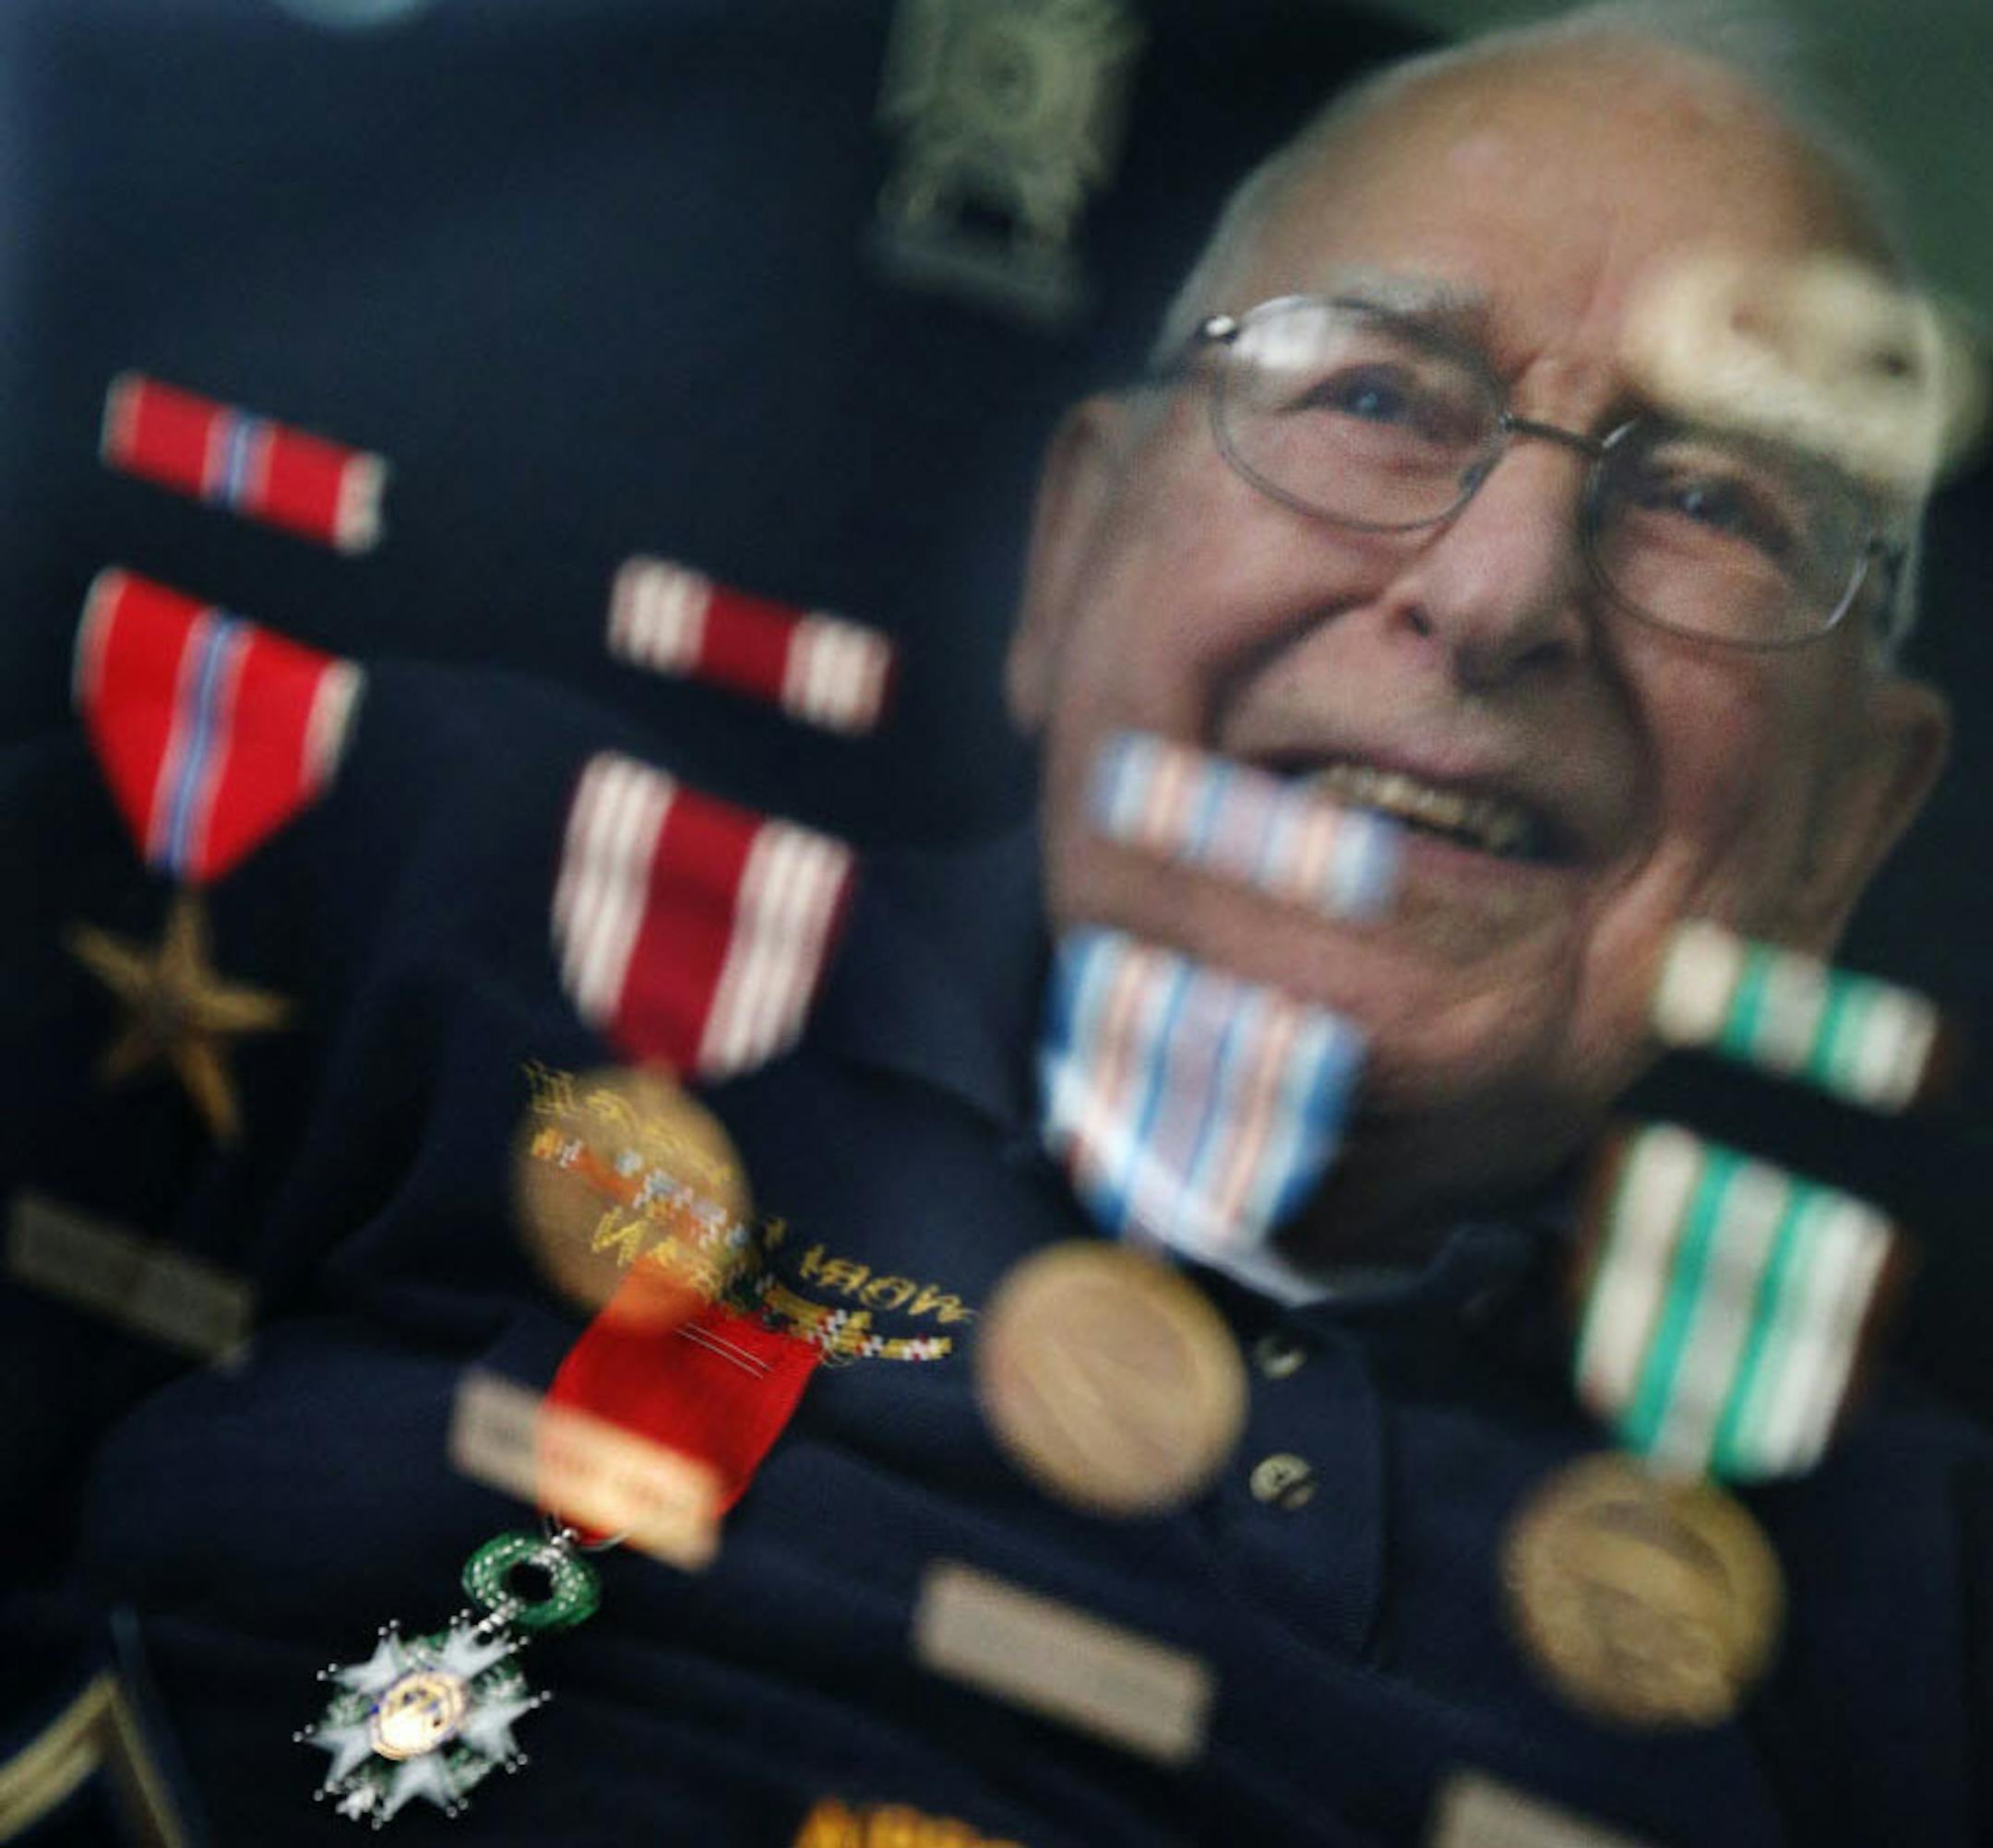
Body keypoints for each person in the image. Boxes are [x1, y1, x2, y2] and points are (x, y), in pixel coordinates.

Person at [1, 5, 1985, 1845]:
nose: (1495, 595)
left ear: (1848, 822)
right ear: (1073, 547)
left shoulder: (1920, 1604)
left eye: (1714, 505)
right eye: (1377, 393)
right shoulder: (425, 868)